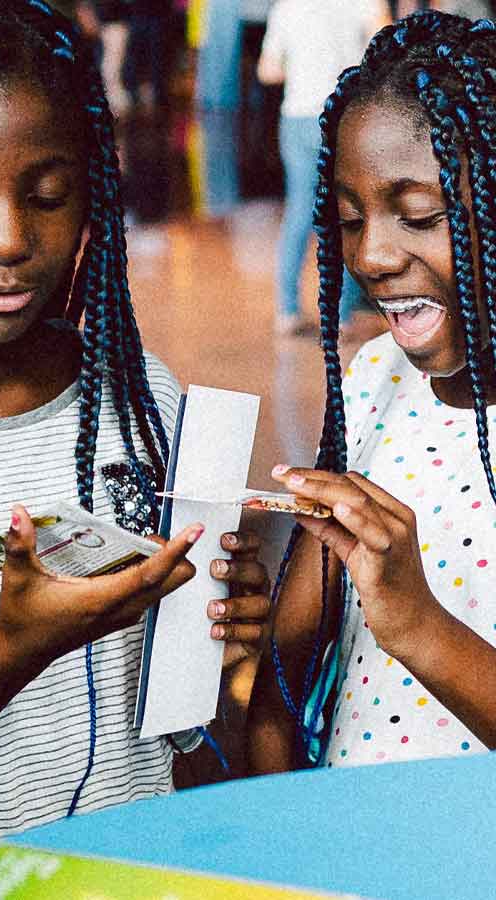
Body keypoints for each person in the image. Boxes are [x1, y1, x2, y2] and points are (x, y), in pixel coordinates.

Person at [0, 0, 271, 867]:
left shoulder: (143, 403)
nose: (9, 240)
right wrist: (11, 652)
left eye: (49, 196)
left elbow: (193, 743)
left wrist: (222, 645)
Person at [248, 10, 496, 773]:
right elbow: (283, 681)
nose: (374, 255)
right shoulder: (374, 377)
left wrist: (418, 623)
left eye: (420, 216)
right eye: (350, 220)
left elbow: (406, 620)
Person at [257, 0, 390, 337]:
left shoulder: (286, 7)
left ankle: (286, 311)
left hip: (297, 117)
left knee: (299, 212)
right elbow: (385, 47)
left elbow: (268, 71)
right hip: (341, 115)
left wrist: (304, 64)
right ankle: (341, 317)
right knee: (342, 215)